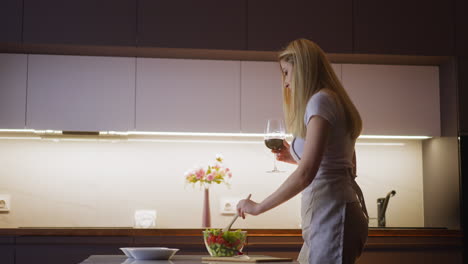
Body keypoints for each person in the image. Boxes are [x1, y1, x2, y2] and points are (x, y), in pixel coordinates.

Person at [236, 38, 369, 264]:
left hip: (331, 215)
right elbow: (343, 163)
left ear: (303, 69)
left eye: (286, 72)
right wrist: (295, 157)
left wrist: (258, 207)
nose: (286, 82)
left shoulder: (320, 101)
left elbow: (307, 174)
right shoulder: (334, 100)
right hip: (334, 212)